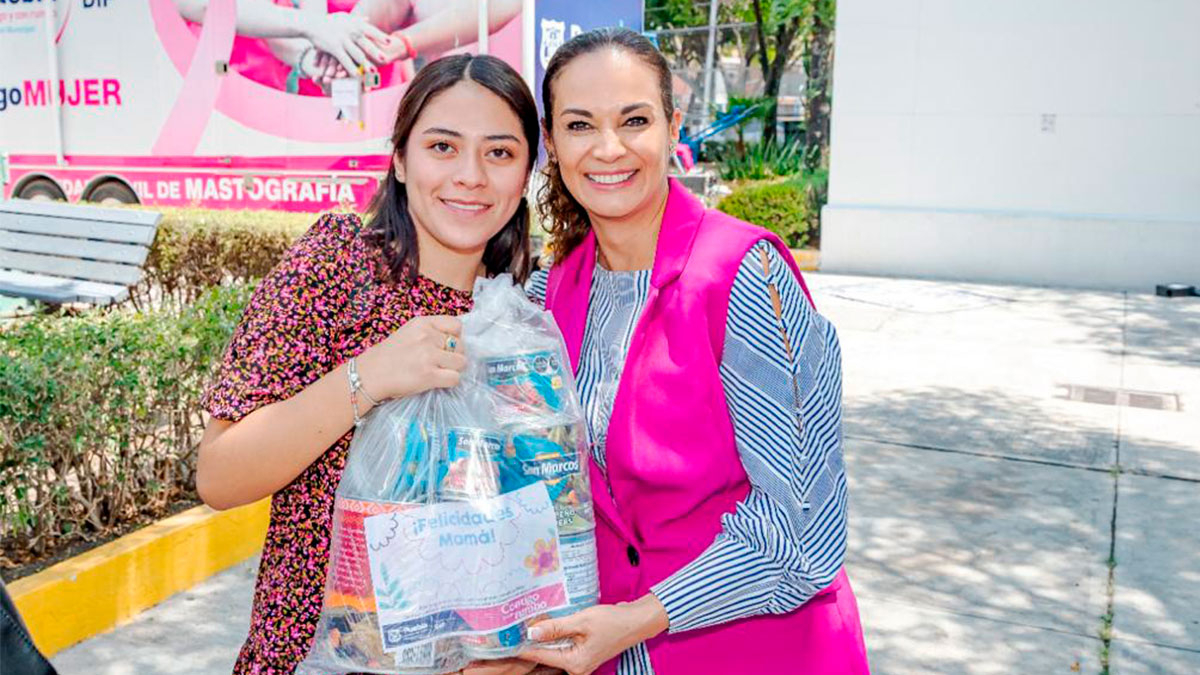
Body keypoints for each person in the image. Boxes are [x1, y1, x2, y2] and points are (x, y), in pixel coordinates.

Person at [518, 28, 870, 675]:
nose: (608, 148)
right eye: (579, 125)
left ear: (673, 125)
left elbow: (806, 529)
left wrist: (638, 618)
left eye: (634, 120)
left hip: (761, 652)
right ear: (552, 142)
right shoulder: (549, 293)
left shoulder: (745, 274)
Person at [195, 53, 540, 675]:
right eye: (442, 146)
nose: (470, 176)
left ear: (525, 176)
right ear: (401, 160)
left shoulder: (523, 316)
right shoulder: (336, 269)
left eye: (499, 153)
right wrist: (370, 377)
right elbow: (220, 477)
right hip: (314, 656)